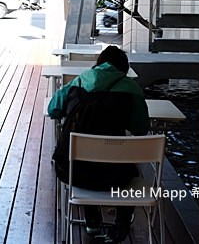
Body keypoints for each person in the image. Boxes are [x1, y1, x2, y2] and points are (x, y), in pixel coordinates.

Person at [47, 45, 149, 243]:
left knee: (84, 157)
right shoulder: (131, 88)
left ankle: (92, 221)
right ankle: (122, 222)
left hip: (72, 173)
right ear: (124, 68)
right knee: (127, 168)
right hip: (115, 176)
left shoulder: (79, 81)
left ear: (99, 64)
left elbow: (53, 110)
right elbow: (141, 128)